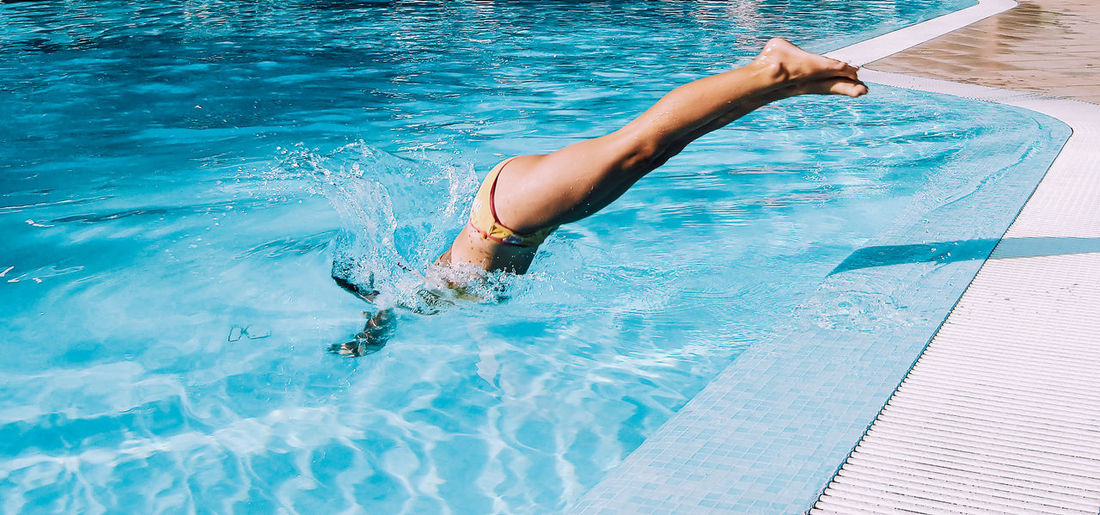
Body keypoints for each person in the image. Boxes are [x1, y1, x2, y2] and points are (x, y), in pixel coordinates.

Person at [333, 38, 867, 356]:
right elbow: (384, 318)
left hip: (511, 214)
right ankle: (783, 83)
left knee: (641, 144)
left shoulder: (408, 294)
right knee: (659, 151)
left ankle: (772, 67)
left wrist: (367, 336)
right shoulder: (417, 290)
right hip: (515, 208)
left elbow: (383, 313)